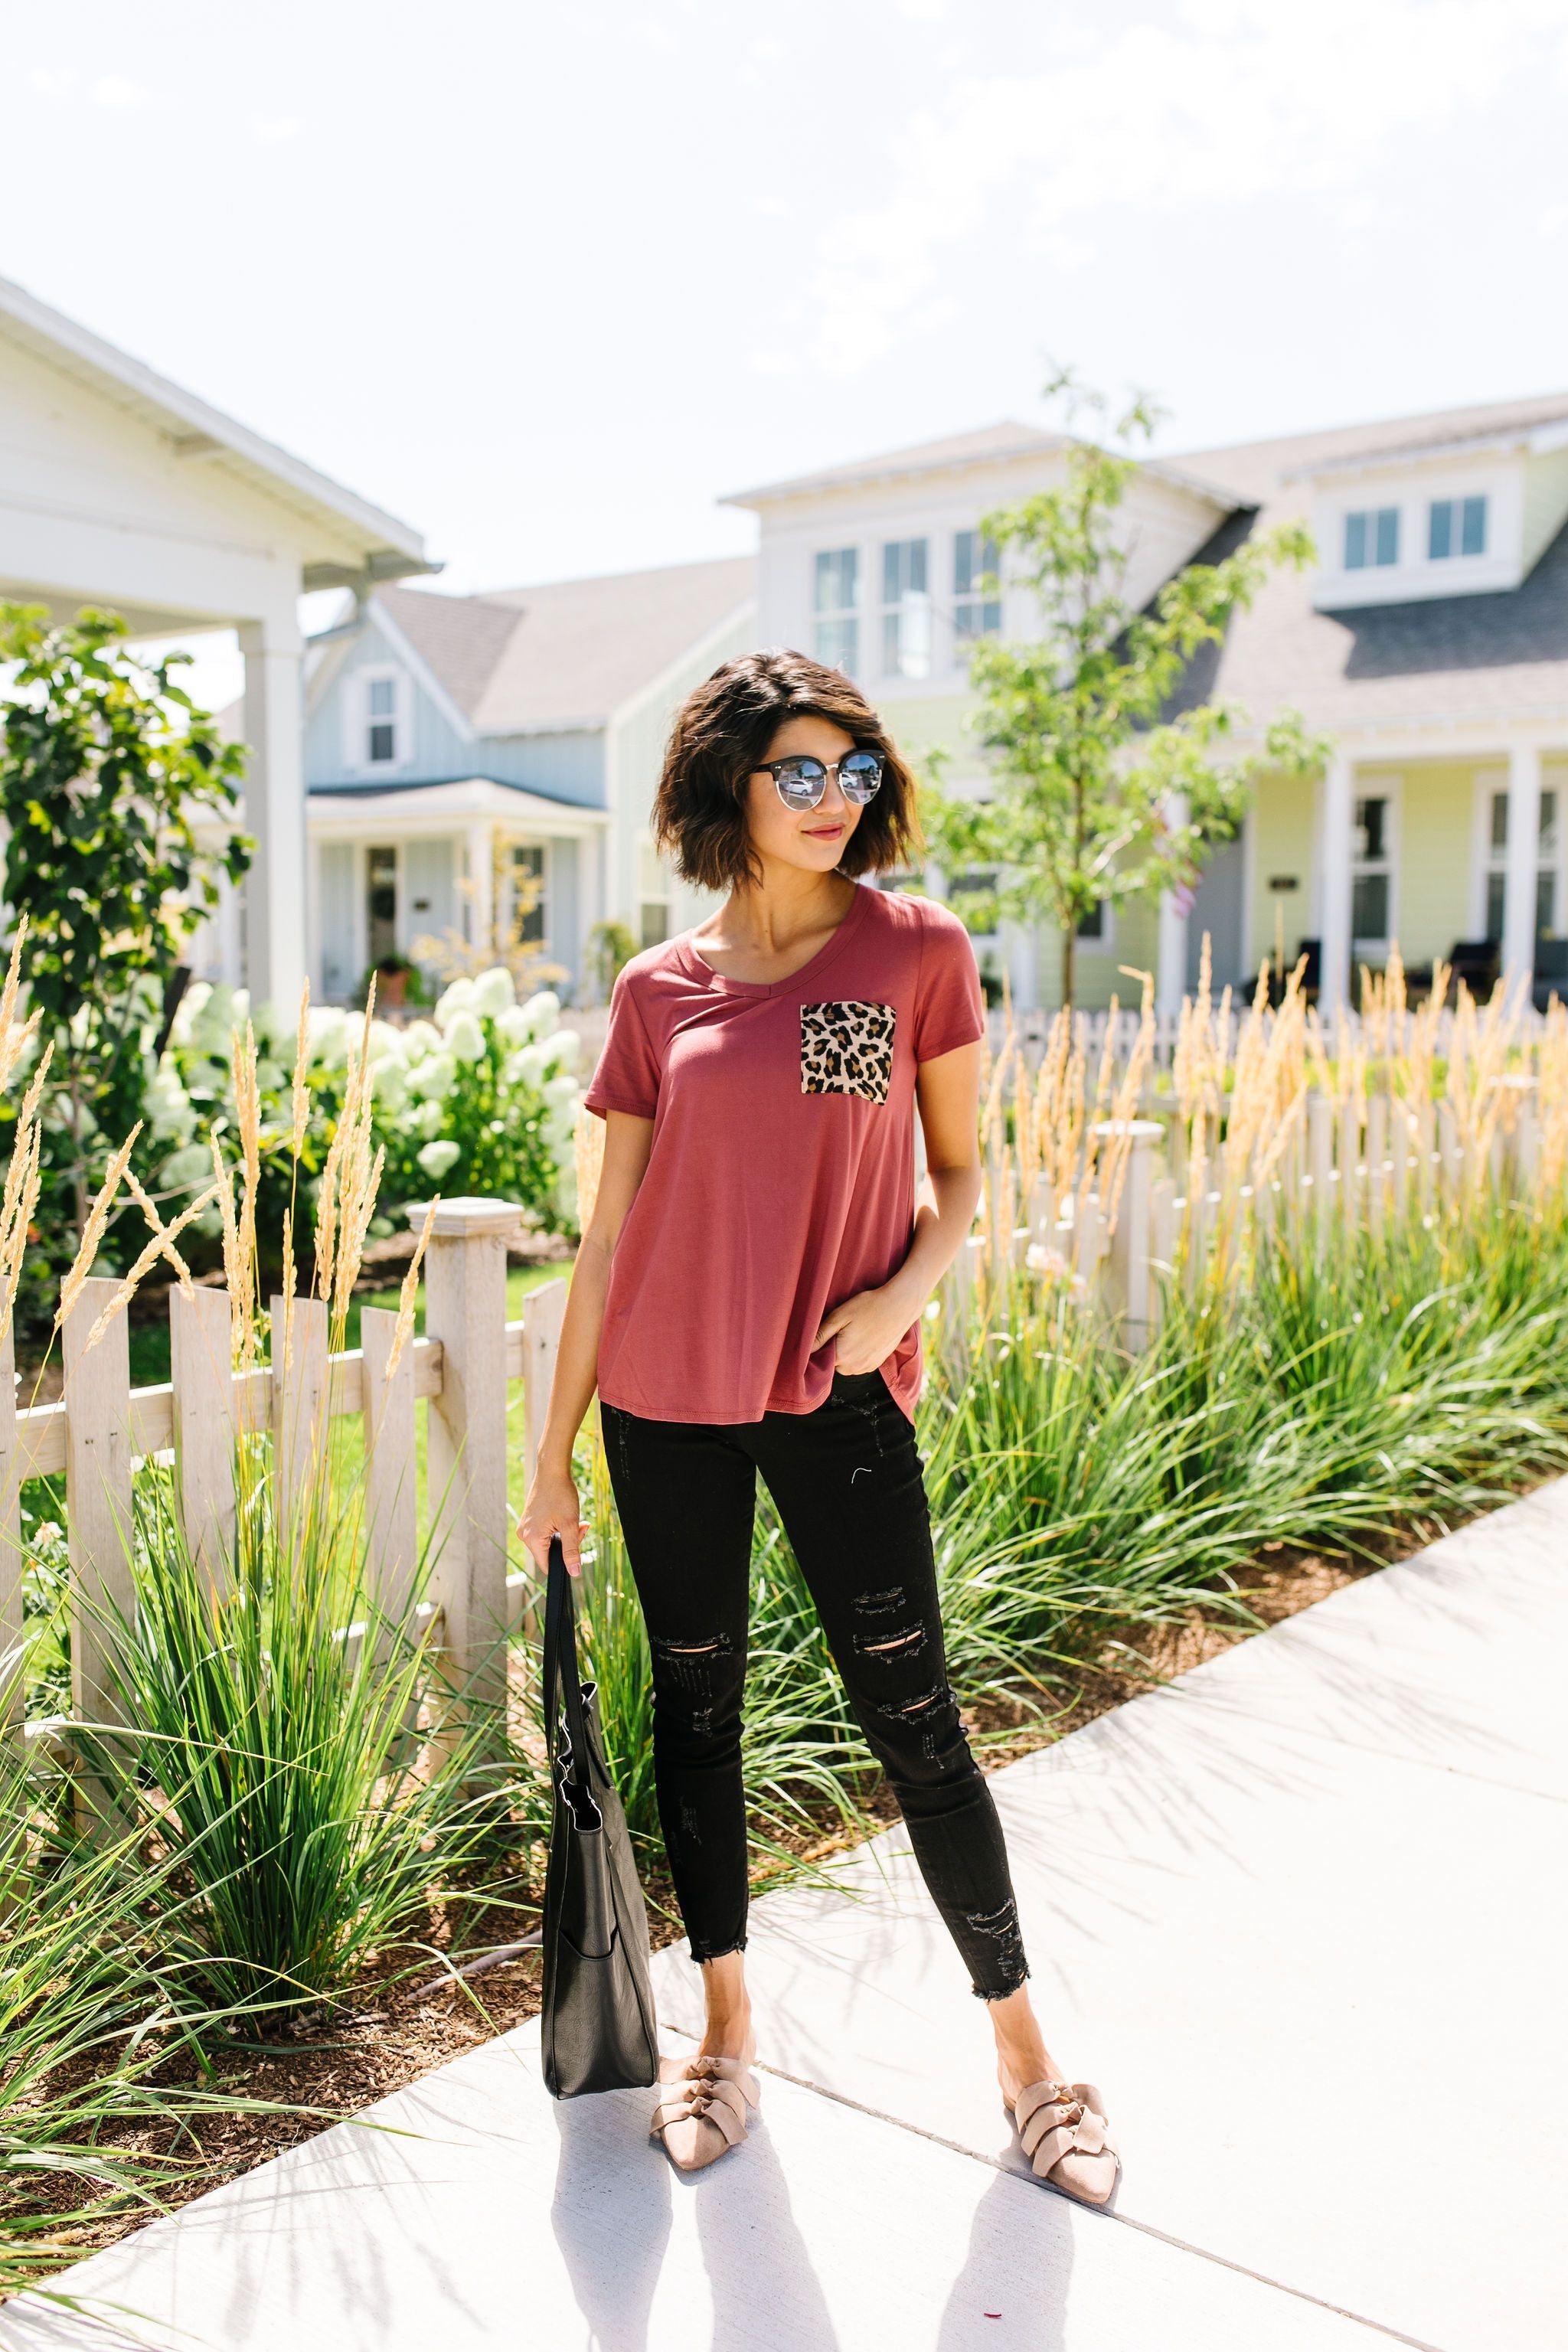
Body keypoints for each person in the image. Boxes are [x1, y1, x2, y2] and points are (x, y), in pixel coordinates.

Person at [519, 649, 1118, 2203]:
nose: (833, 798)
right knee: (696, 1718)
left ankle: (1027, 2054)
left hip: (834, 1391)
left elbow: (960, 1176)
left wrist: (895, 1300)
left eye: (853, 771)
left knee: (916, 1721)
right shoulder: (659, 992)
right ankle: (726, 2033)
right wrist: (551, 1460)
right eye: (799, 771)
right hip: (662, 1402)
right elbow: (609, 1233)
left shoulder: (914, 951)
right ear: (730, 783)